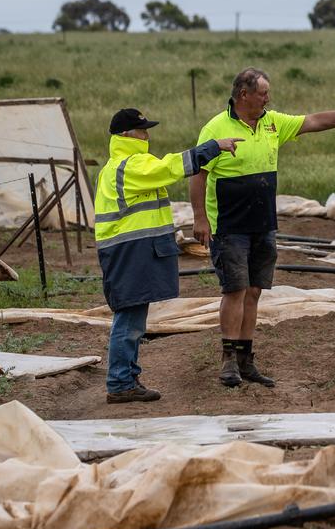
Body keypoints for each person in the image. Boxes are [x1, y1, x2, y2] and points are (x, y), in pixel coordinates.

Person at [191, 67, 335, 387]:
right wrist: (200, 218)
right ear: (243, 95)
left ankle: (246, 359)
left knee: (254, 291)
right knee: (234, 290)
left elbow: (314, 121)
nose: (269, 98)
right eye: (263, 93)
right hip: (229, 226)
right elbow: (197, 173)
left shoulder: (272, 122)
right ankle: (227, 360)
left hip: (263, 223)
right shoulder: (215, 128)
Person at [96, 108, 241, 403]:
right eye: (142, 130)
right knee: (129, 319)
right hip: (129, 252)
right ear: (126, 135)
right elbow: (170, 167)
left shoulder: (123, 165)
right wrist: (213, 147)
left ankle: (127, 378)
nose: (147, 134)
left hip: (129, 251)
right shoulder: (130, 164)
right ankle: (120, 382)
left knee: (133, 317)